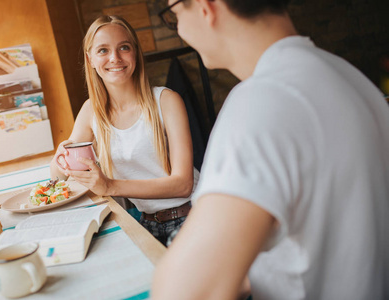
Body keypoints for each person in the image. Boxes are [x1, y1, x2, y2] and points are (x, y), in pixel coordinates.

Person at [152, 0, 389, 299]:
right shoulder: (353, 79)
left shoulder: (261, 102)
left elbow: (187, 292)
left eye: (174, 16)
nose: (180, 30)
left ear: (205, 7)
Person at [50, 15, 198, 246]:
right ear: (90, 59)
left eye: (124, 47)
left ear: (136, 53)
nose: (115, 58)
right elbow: (58, 175)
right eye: (103, 50)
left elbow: (183, 184)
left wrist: (109, 185)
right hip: (147, 223)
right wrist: (61, 158)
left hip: (193, 216)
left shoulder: (166, 101)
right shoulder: (91, 111)